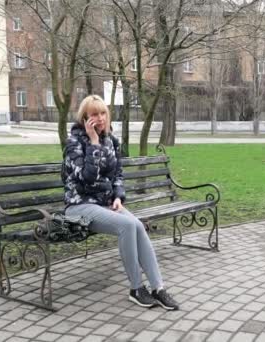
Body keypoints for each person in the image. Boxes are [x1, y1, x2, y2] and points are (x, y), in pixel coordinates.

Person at [62, 95, 179, 311]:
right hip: (79, 205)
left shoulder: (112, 141)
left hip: (106, 203)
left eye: (103, 113)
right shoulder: (74, 144)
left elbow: (118, 175)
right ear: (85, 118)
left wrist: (117, 196)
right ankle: (136, 288)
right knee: (127, 226)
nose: (100, 118)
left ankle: (158, 288)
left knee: (137, 226)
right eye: (94, 114)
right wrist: (94, 143)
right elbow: (86, 177)